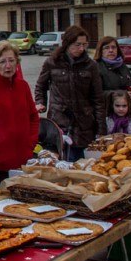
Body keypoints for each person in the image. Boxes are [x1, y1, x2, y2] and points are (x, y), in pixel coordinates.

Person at [34, 25, 105, 162]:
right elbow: (40, 86)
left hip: (84, 123)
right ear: (67, 43)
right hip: (59, 121)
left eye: (84, 44)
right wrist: (40, 102)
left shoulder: (91, 66)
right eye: (77, 44)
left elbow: (98, 99)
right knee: (61, 162)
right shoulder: (52, 62)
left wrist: (101, 130)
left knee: (84, 164)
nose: (81, 48)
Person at [0, 40, 39, 191]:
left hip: (21, 161)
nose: (8, 66)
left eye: (11, 60)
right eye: (2, 62)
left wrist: (30, 142)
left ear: (17, 62)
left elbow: (33, 117)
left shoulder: (23, 86)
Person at [93, 35, 131, 122]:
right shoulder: (96, 68)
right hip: (110, 116)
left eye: (113, 47)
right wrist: (124, 96)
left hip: (130, 115)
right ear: (100, 51)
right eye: (107, 48)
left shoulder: (122, 66)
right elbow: (96, 94)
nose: (111, 50)